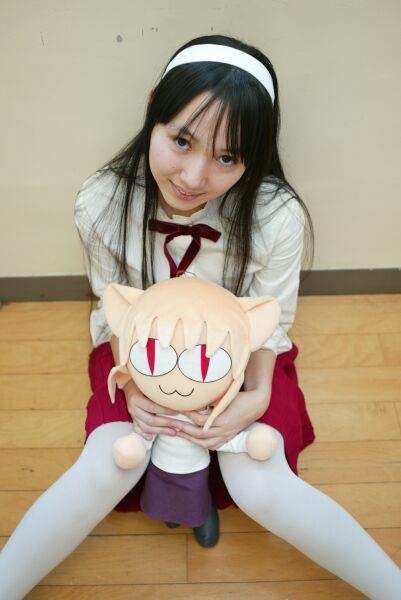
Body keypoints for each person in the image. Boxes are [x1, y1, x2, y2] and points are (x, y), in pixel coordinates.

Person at [0, 34, 399, 600]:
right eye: (181, 141)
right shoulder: (101, 202)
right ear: (154, 110)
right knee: (108, 463)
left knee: (259, 483)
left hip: (241, 357)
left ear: (253, 154)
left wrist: (256, 395)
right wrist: (132, 385)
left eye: (226, 157)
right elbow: (112, 312)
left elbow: (272, 324)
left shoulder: (276, 216)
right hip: (138, 354)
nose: (192, 176)